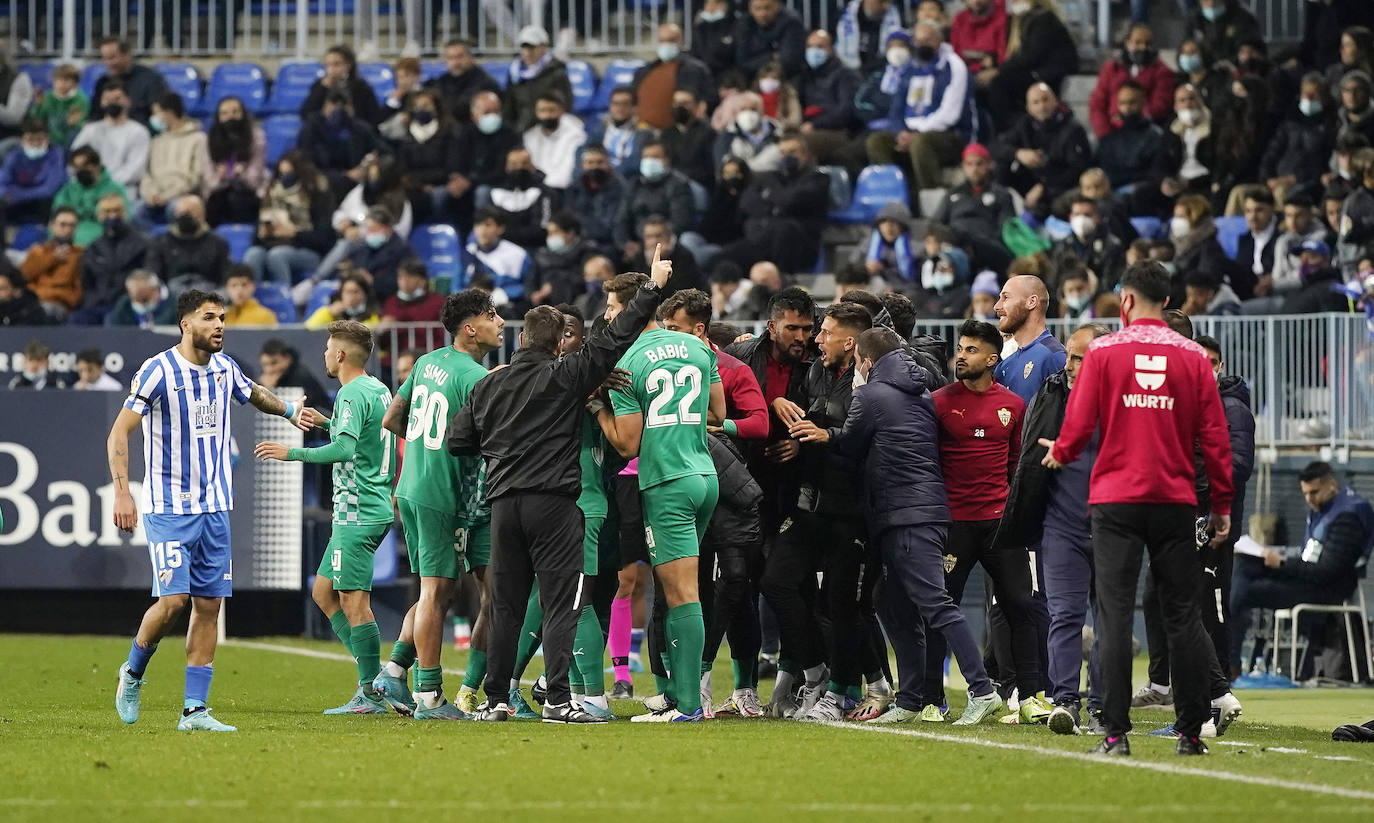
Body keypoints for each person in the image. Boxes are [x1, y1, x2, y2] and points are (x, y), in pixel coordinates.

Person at [447, 248, 673, 724]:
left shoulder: (489, 383)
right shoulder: (566, 374)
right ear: (555, 345)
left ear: (522, 337)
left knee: (505, 607)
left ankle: (495, 702)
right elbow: (612, 341)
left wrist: (502, 453)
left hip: (504, 505)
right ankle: (557, 701)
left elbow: (458, 441)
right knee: (562, 604)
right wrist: (650, 289)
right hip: (555, 505)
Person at [1040, 261, 1234, 757]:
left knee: (1114, 613)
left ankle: (1114, 735)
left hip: (1116, 500)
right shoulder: (1193, 356)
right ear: (1169, 302)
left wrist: (1059, 452)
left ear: (1125, 300)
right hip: (1174, 500)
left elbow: (1079, 424)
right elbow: (1214, 439)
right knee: (1183, 617)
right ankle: (1191, 735)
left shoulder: (1103, 351)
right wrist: (1222, 507)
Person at [109, 289, 319, 733]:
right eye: (209, 318)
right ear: (186, 324)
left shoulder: (225, 368)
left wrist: (289, 412)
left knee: (208, 606)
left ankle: (194, 711)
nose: (219, 325)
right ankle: (132, 672)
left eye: (222, 317)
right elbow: (119, 434)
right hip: (168, 507)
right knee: (172, 602)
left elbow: (255, 393)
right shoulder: (157, 371)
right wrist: (123, 492)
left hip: (216, 507)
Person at [807, 326, 1004, 726]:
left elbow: (851, 442)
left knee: (935, 603)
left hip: (908, 513)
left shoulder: (871, 394)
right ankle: (912, 698)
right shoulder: (920, 390)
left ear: (865, 361)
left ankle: (983, 690)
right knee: (890, 602)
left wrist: (825, 433)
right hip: (917, 510)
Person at [595, 270, 726, 725]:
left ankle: (689, 706)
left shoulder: (629, 360)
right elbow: (719, 412)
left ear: (631, 309)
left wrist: (597, 408)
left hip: (667, 482)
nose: (608, 314)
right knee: (675, 594)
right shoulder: (696, 345)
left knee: (681, 592)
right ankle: (675, 695)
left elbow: (628, 444)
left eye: (612, 306)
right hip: (704, 476)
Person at [255, 321, 396, 715]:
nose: (324, 354)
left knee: (353, 602)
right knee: (323, 592)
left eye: (328, 347)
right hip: (368, 506)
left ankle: (370, 692)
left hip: (358, 510)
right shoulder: (377, 389)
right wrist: (326, 421)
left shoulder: (351, 393)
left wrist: (292, 453)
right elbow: (363, 438)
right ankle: (377, 676)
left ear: (340, 355)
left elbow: (345, 451)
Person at [922, 319, 1047, 724]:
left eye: (971, 350)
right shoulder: (939, 402)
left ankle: (1030, 695)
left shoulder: (1013, 405)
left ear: (993, 359)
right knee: (940, 609)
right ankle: (931, 698)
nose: (961, 355)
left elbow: (1016, 465)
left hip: (999, 524)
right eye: (960, 348)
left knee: (1021, 606)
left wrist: (1012, 510)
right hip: (953, 524)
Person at [773, 302, 892, 721]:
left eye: (826, 333)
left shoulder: (873, 380)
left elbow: (872, 439)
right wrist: (788, 420)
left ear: (850, 340)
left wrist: (828, 436)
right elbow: (809, 418)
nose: (816, 340)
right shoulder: (816, 371)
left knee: (842, 601)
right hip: (812, 503)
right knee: (778, 580)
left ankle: (846, 692)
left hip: (854, 508)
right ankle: (815, 670)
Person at [1000, 323, 1109, 735]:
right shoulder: (1053, 392)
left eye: (1079, 357)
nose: (1069, 365)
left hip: (1113, 526)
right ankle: (1065, 701)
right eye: (1069, 356)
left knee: (1109, 620)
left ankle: (1102, 705)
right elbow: (1030, 457)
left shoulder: (1123, 404)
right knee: (1064, 615)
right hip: (1061, 525)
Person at [1232, 461, 1373, 679]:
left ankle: (1229, 665)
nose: (1309, 499)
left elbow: (1328, 572)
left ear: (1332, 485)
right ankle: (1228, 662)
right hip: (1306, 580)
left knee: (1245, 592)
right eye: (1305, 493)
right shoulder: (1321, 510)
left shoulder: (1348, 516)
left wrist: (1283, 564)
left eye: (1314, 492)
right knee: (1243, 566)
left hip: (1327, 591)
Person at [866, 21, 974, 195]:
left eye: (928, 40)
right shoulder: (909, 67)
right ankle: (894, 197)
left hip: (950, 135)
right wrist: (900, 132)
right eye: (918, 41)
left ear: (939, 40)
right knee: (877, 142)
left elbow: (950, 114)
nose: (922, 45)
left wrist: (916, 134)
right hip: (910, 134)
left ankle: (931, 200)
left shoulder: (954, 66)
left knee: (920, 143)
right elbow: (896, 109)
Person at [719, 135, 829, 274]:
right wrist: (774, 207)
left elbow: (792, 200)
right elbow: (747, 201)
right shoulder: (769, 178)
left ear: (805, 155)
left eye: (792, 152)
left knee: (784, 229)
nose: (787, 156)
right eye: (783, 153)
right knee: (722, 258)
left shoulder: (818, 179)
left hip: (799, 244)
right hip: (764, 240)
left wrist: (769, 196)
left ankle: (781, 283)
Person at [993, 83, 1091, 219]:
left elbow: (1078, 169)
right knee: (1000, 168)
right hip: (1030, 182)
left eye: (1045, 100)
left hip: (1060, 186)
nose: (1042, 106)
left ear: (1055, 101)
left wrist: (1043, 187)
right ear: (1029, 108)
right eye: (1036, 102)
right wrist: (1019, 154)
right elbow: (997, 146)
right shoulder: (1024, 124)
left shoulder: (1072, 129)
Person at [981, 0, 1077, 132]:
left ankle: (1015, 131)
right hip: (1028, 72)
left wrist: (998, 70)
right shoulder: (1017, 19)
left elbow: (1030, 56)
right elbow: (1013, 52)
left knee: (999, 84)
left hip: (1044, 76)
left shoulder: (1044, 18)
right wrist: (993, 59)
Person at [245, 151, 336, 286]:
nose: (284, 179)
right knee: (253, 254)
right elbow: (256, 237)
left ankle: (283, 301)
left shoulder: (317, 197)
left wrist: (294, 234)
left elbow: (324, 239)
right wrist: (262, 233)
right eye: (282, 174)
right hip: (273, 244)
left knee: (277, 256)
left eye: (290, 174)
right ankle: (252, 302)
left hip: (308, 251)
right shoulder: (272, 195)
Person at [1088, 24, 1175, 139]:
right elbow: (1097, 104)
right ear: (1127, 43)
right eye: (1138, 42)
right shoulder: (1111, 68)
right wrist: (1105, 134)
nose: (1143, 48)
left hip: (1144, 136)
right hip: (1111, 134)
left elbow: (1160, 106)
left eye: (1147, 43)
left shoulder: (1162, 72)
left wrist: (1129, 119)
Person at [73, 195, 149, 325]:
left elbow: (147, 275)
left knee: (111, 319)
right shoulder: (93, 248)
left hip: (127, 305)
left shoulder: (141, 243)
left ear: (124, 213)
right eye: (107, 212)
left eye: (116, 211)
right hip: (97, 304)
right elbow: (87, 283)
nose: (112, 216)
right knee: (76, 320)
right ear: (99, 215)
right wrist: (93, 301)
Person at [993, 274, 1066, 406]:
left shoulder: (1055, 356)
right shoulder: (1004, 365)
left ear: (1031, 302)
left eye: (1006, 297)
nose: (997, 306)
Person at [615, 141, 694, 259]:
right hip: (637, 243)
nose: (650, 161)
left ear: (666, 160)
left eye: (655, 157)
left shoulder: (678, 184)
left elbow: (680, 222)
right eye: (646, 157)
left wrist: (652, 242)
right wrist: (625, 244)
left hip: (665, 241)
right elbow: (621, 220)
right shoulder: (633, 185)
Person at [138, 92, 208, 224]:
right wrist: (150, 194)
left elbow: (195, 177)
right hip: (155, 195)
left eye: (157, 113)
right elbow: (147, 175)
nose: (154, 118)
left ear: (169, 112)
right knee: (135, 211)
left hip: (181, 195)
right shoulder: (157, 141)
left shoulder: (198, 139)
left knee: (176, 210)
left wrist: (167, 196)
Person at [633, 24, 716, 130]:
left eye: (671, 40)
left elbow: (711, 98)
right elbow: (632, 98)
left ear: (680, 41)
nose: (666, 44)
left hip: (682, 132)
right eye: (662, 40)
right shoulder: (643, 71)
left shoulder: (695, 69)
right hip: (644, 131)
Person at [71, 81, 150, 190]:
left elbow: (135, 170)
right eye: (107, 99)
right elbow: (74, 159)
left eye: (117, 99)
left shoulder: (139, 132)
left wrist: (106, 184)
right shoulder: (90, 130)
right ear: (102, 102)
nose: (112, 103)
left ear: (128, 101)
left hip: (123, 190)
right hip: (89, 187)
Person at [203, 97, 269, 227]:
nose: (230, 117)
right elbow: (209, 181)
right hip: (219, 192)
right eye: (225, 113)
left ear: (243, 114)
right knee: (214, 203)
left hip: (248, 192)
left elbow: (254, 179)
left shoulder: (256, 137)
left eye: (235, 112)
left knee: (239, 200)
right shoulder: (209, 140)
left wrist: (240, 173)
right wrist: (220, 176)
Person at [1094, 82, 1167, 198]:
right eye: (1123, 103)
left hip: (1141, 192)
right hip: (1110, 189)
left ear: (1143, 102)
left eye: (1132, 103)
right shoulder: (1110, 137)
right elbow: (1103, 167)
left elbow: (1153, 172)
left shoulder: (1155, 136)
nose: (1127, 108)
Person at [146, 195, 230, 292]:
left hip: (207, 297)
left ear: (202, 215)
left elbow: (226, 279)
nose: (184, 217)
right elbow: (154, 277)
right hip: (172, 298)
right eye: (181, 213)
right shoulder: (161, 243)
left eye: (189, 213)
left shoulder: (218, 243)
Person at [52, 146, 130, 247]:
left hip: (105, 239)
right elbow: (56, 218)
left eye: (85, 165)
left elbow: (125, 218)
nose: (81, 170)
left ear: (97, 165)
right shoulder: (67, 191)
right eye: (76, 167)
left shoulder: (115, 189)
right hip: (69, 241)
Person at [503, 26, 574, 134]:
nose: (527, 52)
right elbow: (509, 108)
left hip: (548, 131)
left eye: (532, 47)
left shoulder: (556, 73)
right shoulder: (514, 73)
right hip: (521, 131)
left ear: (544, 47)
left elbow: (566, 106)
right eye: (524, 47)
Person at [19, 206, 82, 321]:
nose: (67, 230)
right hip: (33, 302)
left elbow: (78, 290)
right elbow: (23, 276)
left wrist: (65, 299)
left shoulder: (80, 255)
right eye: (63, 225)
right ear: (52, 226)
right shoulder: (38, 251)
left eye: (72, 225)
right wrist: (52, 258)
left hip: (59, 305)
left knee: (43, 311)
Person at [1052, 197, 1127, 294]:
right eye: (1077, 214)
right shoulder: (1062, 246)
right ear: (1070, 217)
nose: (1081, 219)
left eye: (1087, 215)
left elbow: (1110, 283)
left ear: (1097, 217)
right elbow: (1054, 281)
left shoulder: (1112, 246)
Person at [465, 206, 533, 310]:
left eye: (488, 225)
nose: (482, 231)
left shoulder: (518, 255)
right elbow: (456, 286)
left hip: (506, 310)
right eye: (478, 225)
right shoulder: (466, 253)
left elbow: (528, 287)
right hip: (471, 310)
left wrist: (503, 293)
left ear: (500, 228)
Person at [0, 118, 64, 225]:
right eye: (30, 139)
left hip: (40, 201)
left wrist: (18, 194)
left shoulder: (56, 155)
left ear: (48, 139)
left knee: (48, 200)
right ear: (22, 140)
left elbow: (50, 188)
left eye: (40, 139)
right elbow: (2, 181)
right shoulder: (14, 155)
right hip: (16, 201)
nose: (35, 143)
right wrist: (7, 193)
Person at [92, 37, 168, 126]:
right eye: (104, 59)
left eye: (112, 58)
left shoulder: (150, 79)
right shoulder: (102, 82)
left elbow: (159, 115)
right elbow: (95, 116)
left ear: (127, 55)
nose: (108, 63)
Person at [302, 44, 383, 126]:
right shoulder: (319, 85)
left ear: (348, 65)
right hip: (325, 131)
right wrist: (322, 89)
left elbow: (374, 118)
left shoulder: (362, 87)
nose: (331, 70)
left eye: (336, 64)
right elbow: (306, 115)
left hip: (352, 131)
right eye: (327, 65)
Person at [379, 258, 446, 352]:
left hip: (429, 357)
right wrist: (382, 330)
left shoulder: (438, 302)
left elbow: (443, 337)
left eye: (409, 277)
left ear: (422, 280)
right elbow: (383, 342)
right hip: (395, 358)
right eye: (400, 277)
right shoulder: (391, 302)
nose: (404, 281)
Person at [522, 92, 586, 191]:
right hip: (535, 189)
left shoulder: (575, 135)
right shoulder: (530, 136)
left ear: (561, 111)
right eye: (543, 110)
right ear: (536, 112)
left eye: (552, 110)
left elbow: (567, 171)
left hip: (562, 190)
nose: (547, 115)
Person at [426, 38, 500, 120]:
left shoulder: (485, 82)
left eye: (460, 57)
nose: (455, 62)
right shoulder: (442, 81)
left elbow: (464, 107)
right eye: (451, 58)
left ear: (470, 57)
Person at [736, 0, 807, 80]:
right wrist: (771, 56)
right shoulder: (745, 22)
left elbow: (789, 62)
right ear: (750, 8)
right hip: (752, 80)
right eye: (757, 8)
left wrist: (758, 60)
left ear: (778, 6)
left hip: (785, 80)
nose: (763, 13)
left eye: (768, 7)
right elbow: (742, 63)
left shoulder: (792, 21)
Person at [257, 338, 331, 411]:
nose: (269, 370)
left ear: (287, 359)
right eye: (265, 364)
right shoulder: (264, 378)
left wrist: (271, 390)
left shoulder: (301, 377)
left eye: (274, 363)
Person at [30, 63, 88, 149]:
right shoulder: (48, 96)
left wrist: (73, 123)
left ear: (76, 83)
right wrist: (38, 106)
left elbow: (78, 122)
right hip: (49, 137)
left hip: (68, 138)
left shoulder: (80, 99)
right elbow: (37, 118)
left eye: (66, 80)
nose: (61, 84)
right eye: (58, 80)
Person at [1190, 0, 1259, 67]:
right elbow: (1185, 46)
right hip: (1206, 69)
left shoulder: (1243, 17)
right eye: (1206, 0)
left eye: (1215, 0)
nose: (1211, 4)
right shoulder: (1194, 19)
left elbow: (1250, 47)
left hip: (1237, 68)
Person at [305, 273, 381, 330]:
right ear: (341, 294)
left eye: (355, 292)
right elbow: (308, 329)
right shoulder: (331, 313)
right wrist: (328, 313)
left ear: (364, 294)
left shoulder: (372, 315)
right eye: (348, 292)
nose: (351, 296)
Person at [108, 269, 175, 328]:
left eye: (144, 299)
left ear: (156, 291)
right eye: (134, 299)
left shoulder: (176, 305)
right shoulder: (124, 304)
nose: (139, 303)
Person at [692, 0, 739, 76]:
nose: (711, 8)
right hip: (702, 75)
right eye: (707, 3)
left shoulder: (737, 26)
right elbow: (695, 54)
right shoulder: (699, 28)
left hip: (728, 76)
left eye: (717, 3)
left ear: (727, 5)